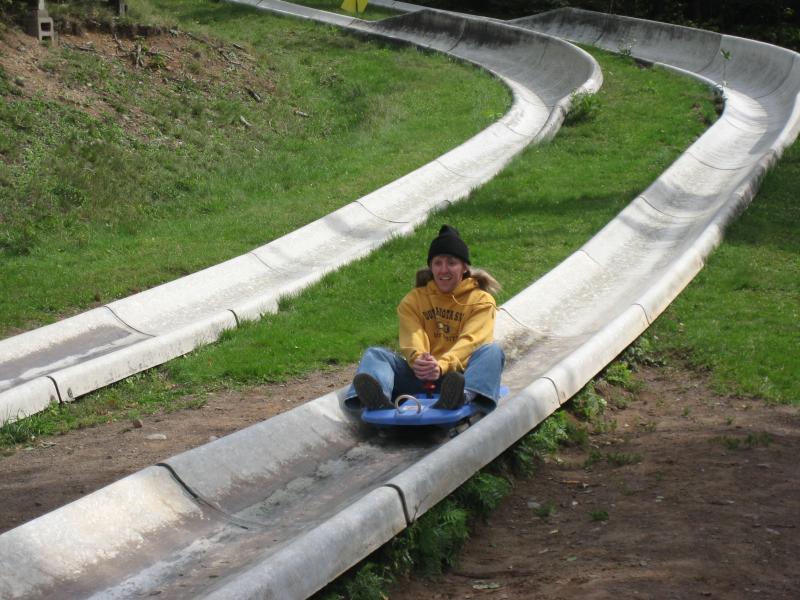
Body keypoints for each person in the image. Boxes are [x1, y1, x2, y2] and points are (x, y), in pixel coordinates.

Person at [345, 225, 505, 413]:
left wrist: (442, 365)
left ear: (464, 267)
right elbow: (413, 335)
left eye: (451, 263)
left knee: (492, 351)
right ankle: (377, 400)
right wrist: (420, 361)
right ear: (431, 267)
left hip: (458, 377)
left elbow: (472, 340)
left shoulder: (481, 301)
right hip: (420, 376)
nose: (444, 270)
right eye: (438, 263)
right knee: (375, 354)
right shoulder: (414, 300)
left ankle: (463, 397)